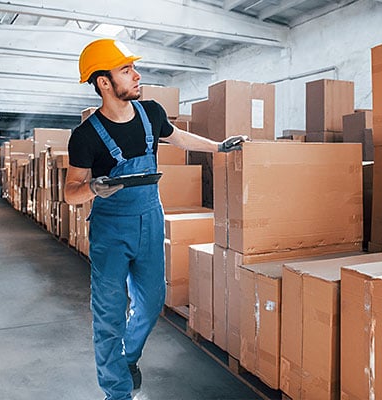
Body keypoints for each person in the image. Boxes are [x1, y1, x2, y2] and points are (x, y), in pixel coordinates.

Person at [64, 38, 246, 400]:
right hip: (110, 229)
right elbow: (70, 190)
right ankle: (117, 392)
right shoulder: (85, 137)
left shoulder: (151, 113)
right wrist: (94, 189)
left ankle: (128, 358)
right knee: (109, 315)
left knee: (151, 301)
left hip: (150, 218)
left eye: (133, 68)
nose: (137, 75)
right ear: (103, 82)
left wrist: (219, 146)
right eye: (126, 70)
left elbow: (179, 138)